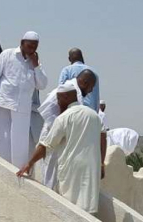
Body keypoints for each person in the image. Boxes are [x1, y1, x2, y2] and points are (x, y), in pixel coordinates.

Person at [17, 82, 103, 214]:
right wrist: (102, 163)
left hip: (72, 171)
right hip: (91, 169)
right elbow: (103, 137)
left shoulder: (64, 118)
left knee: (71, 210)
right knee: (87, 209)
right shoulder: (94, 116)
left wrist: (29, 163)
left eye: (59, 99)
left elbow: (46, 146)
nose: (57, 103)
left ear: (67, 98)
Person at [0, 31, 48, 167]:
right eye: (29, 46)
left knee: (20, 143)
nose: (32, 49)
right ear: (22, 43)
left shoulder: (35, 63)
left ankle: (17, 170)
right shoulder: (7, 55)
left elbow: (42, 85)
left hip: (23, 107)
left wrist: (36, 65)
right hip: (3, 103)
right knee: (1, 139)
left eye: (34, 47)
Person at [37, 70, 96, 189]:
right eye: (91, 87)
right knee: (50, 166)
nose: (91, 91)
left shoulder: (72, 88)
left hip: (57, 130)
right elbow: (54, 113)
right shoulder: (74, 93)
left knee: (54, 166)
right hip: (52, 130)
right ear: (84, 82)